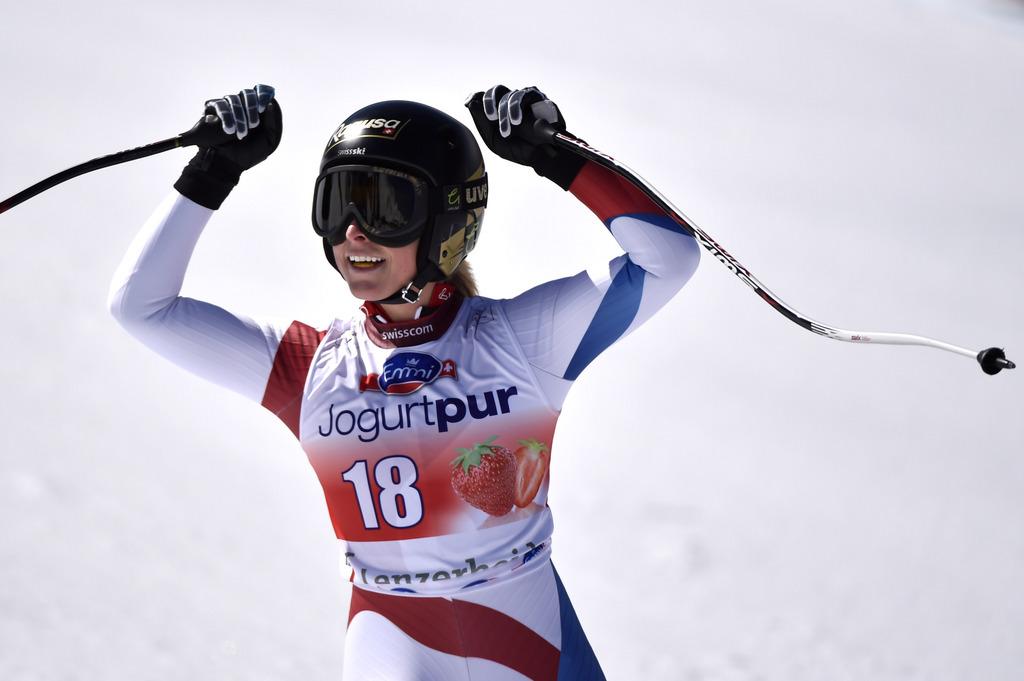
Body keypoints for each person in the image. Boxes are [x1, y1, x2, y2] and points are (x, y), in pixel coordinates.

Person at [108, 83, 701, 680]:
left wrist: (559, 156)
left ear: (447, 223)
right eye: (338, 205)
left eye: (386, 208)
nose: (354, 233)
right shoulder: (310, 366)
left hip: (527, 631)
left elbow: (669, 257)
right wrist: (213, 171)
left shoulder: (524, 340)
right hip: (391, 641)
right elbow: (140, 307)